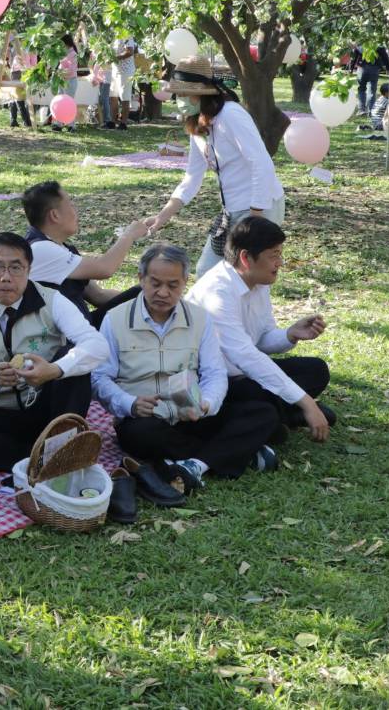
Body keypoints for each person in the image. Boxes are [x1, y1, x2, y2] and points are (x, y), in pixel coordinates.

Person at [94, 244, 281, 498]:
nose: (163, 292)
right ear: (141, 279)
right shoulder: (115, 319)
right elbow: (99, 377)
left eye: (173, 285)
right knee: (139, 436)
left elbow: (214, 373)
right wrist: (130, 403)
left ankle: (195, 465)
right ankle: (237, 451)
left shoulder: (200, 319)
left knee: (264, 413)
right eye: (155, 283)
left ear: (184, 283)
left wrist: (207, 403)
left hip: (192, 416)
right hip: (147, 421)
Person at [0, 232, 110, 472]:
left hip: (49, 403)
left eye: (16, 268)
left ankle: (54, 449)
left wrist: (54, 370)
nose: (5, 277)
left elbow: (97, 345)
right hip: (0, 410)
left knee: (73, 359)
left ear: (29, 270)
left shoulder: (52, 300)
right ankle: (46, 461)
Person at [187, 216, 335, 444]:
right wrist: (306, 401)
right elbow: (246, 356)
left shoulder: (258, 280)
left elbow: (262, 338)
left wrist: (290, 333)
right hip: (214, 382)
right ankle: (279, 415)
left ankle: (279, 414)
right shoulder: (218, 292)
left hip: (245, 375)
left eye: (280, 254)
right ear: (246, 258)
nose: (280, 263)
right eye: (274, 255)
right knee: (255, 395)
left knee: (316, 370)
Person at [145, 56, 285, 278]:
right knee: (208, 273)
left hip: (259, 206)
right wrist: (163, 215)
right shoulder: (198, 124)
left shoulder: (231, 115)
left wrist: (255, 217)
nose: (179, 99)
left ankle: (250, 313)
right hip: (232, 210)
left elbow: (261, 163)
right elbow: (192, 177)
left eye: (183, 93)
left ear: (201, 92)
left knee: (244, 279)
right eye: (177, 94)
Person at [22, 180, 147, 325]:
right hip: (65, 339)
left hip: (83, 327)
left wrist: (140, 301)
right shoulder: (40, 250)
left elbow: (98, 296)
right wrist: (129, 235)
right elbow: (105, 268)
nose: (76, 211)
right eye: (71, 205)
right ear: (55, 215)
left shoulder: (59, 248)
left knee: (147, 293)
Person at [111, 38, 138, 129]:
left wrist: (116, 57)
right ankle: (113, 121)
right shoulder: (113, 37)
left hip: (126, 71)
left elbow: (130, 51)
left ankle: (123, 123)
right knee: (112, 96)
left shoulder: (127, 36)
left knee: (124, 97)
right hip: (115, 70)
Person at [357, 45, 388, 113]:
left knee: (361, 89)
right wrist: (388, 68)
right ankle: (370, 110)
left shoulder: (362, 43)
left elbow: (356, 54)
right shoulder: (378, 44)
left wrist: (351, 68)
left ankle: (362, 109)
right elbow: (385, 56)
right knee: (371, 91)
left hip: (362, 67)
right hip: (374, 68)